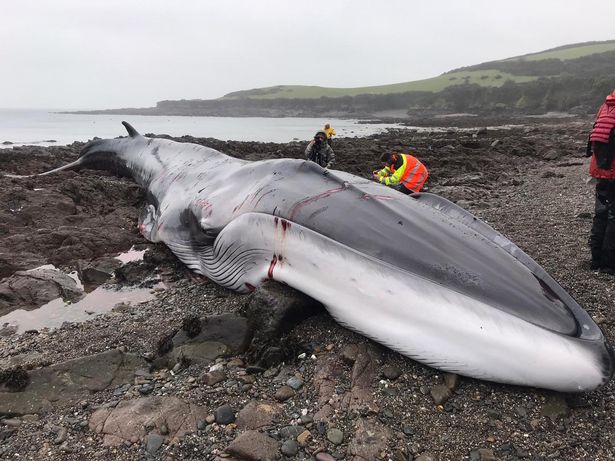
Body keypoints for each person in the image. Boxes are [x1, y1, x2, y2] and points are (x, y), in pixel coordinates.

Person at [587, 90, 615, 274]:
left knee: (601, 213)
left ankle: (596, 259)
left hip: (600, 168)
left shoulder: (605, 106)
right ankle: (609, 265)